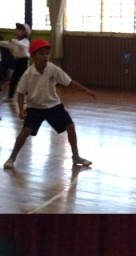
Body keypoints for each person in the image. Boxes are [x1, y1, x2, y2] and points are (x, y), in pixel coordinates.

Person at [3, 39, 95, 171]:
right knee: (25, 132)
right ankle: (12, 158)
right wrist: (21, 110)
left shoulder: (53, 69)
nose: (45, 56)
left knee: (70, 126)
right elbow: (21, 93)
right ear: (34, 56)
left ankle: (76, 156)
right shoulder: (28, 73)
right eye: (41, 53)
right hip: (34, 108)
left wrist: (85, 90)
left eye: (47, 53)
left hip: (54, 106)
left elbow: (69, 82)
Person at [0, 23, 30, 102]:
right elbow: (7, 44)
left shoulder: (25, 41)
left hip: (24, 62)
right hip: (17, 62)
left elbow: (22, 45)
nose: (17, 31)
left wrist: (14, 41)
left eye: (19, 30)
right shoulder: (16, 42)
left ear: (24, 33)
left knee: (25, 80)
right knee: (14, 79)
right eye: (17, 30)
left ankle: (30, 97)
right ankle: (10, 97)